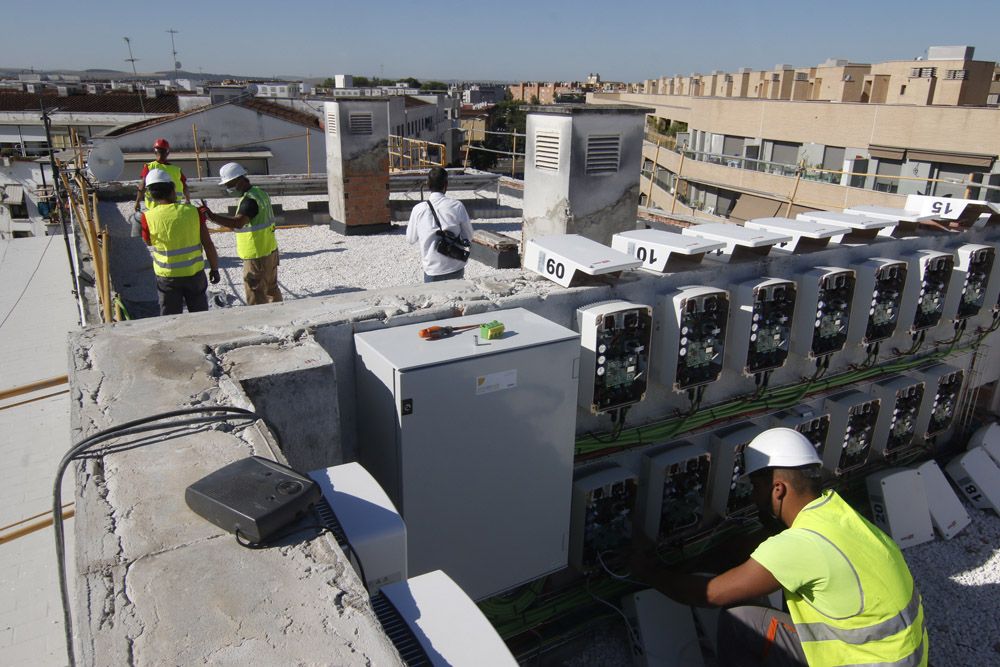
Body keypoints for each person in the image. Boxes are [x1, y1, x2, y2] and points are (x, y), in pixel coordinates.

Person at [631, 428, 927, 667]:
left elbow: (711, 593)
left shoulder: (800, 545)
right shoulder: (838, 515)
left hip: (859, 662)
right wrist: (685, 565)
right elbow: (750, 546)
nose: (752, 497)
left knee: (740, 619)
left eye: (756, 488)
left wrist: (650, 573)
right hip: (902, 659)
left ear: (778, 489)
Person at [140, 169, 220, 316]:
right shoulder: (194, 212)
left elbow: (149, 242)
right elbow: (208, 243)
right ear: (172, 190)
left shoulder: (147, 217)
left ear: (150, 194)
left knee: (171, 318)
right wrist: (214, 269)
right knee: (200, 316)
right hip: (194, 275)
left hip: (167, 278)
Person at [201, 162, 282, 305]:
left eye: (229, 184)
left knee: (256, 296)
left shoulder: (249, 201)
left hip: (256, 256)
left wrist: (212, 217)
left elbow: (238, 222)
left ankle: (263, 323)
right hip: (270, 251)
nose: (228, 188)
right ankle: (282, 318)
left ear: (239, 180)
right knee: (271, 290)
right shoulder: (260, 193)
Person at [406, 167, 474, 282]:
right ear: (446, 185)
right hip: (455, 265)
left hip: (432, 269)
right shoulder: (457, 206)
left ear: (428, 185)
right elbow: (469, 235)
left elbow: (411, 239)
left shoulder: (418, 209)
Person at [135, 138, 190, 213]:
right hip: (174, 209)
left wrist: (137, 202)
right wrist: (188, 200)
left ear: (155, 151)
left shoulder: (149, 167)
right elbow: (185, 187)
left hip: (153, 211)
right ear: (167, 153)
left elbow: (142, 186)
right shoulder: (177, 170)